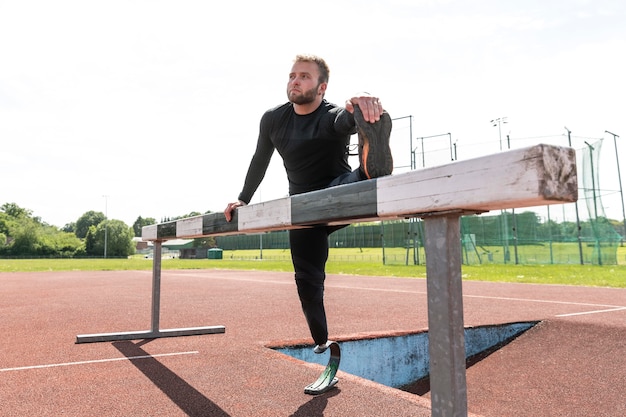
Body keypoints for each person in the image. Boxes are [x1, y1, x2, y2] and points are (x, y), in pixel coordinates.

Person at [224, 54, 392, 354]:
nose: (295, 81)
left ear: (322, 87)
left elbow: (345, 121)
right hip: (300, 212)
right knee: (308, 286)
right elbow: (260, 159)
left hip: (335, 196)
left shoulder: (331, 116)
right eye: (292, 75)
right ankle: (322, 344)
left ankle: (371, 159)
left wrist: (359, 108)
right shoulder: (273, 119)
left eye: (304, 76)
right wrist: (243, 198)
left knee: (355, 182)